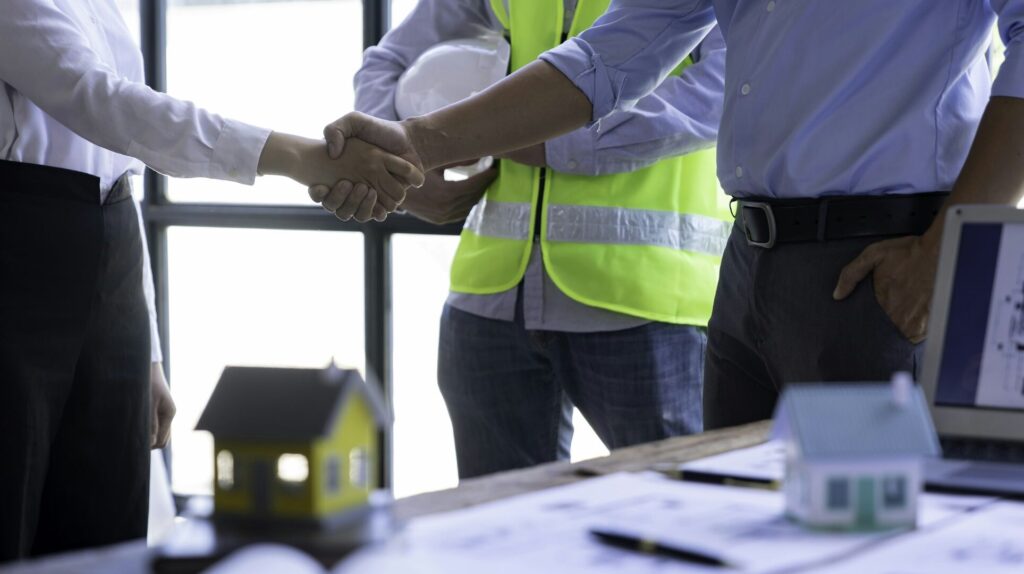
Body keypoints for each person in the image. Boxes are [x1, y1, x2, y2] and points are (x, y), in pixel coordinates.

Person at [317, 1, 1024, 430]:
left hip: (879, 271)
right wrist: (420, 143)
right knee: (733, 532)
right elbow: (610, 56)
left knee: (877, 543)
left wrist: (953, 246)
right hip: (751, 270)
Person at [0, 0, 421, 560]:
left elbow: (120, 171)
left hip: (113, 254)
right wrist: (304, 158)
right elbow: (104, 104)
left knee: (108, 515)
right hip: (20, 254)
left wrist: (145, 352)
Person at [343, 0, 728, 478]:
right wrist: (399, 174)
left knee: (676, 520)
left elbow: (720, 91)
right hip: (490, 297)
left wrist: (546, 142)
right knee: (492, 531)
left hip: (644, 300)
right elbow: (388, 60)